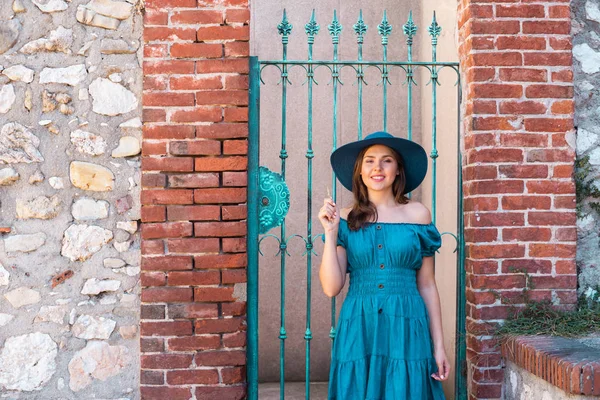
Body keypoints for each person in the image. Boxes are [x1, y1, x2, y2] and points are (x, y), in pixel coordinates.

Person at [318, 131, 450, 399]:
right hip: (359, 323)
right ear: (359, 171)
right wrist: (331, 234)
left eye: (386, 160)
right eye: (369, 160)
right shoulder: (344, 218)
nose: (377, 167)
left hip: (407, 322)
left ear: (398, 170)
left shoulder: (418, 215)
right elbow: (331, 287)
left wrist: (439, 346)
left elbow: (427, 285)